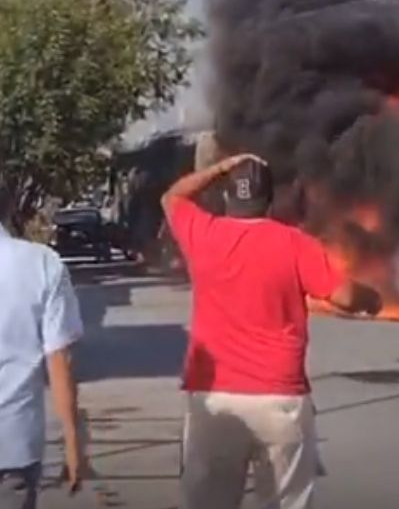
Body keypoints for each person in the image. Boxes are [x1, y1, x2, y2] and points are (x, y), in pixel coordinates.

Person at [162, 153, 383, 509]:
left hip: (213, 398)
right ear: (269, 200)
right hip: (278, 398)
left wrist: (220, 167)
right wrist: (372, 299)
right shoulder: (293, 243)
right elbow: (343, 295)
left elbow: (172, 197)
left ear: (227, 196)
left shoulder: (202, 233)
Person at [0, 174, 86, 508]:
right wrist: (73, 444)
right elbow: (60, 362)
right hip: (12, 443)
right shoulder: (41, 263)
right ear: (10, 207)